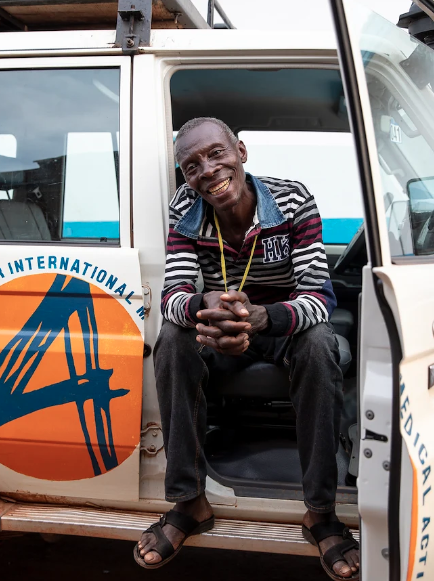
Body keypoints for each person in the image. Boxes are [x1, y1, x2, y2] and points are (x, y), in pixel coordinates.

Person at [134, 117, 360, 580]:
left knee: (319, 343)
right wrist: (207, 306)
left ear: (241, 151)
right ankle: (188, 501)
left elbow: (318, 295)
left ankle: (320, 511)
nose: (208, 170)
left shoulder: (293, 200)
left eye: (217, 153)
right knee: (173, 340)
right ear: (185, 176)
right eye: (191, 165)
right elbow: (173, 297)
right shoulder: (185, 209)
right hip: (220, 328)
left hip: (282, 328)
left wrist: (264, 317)